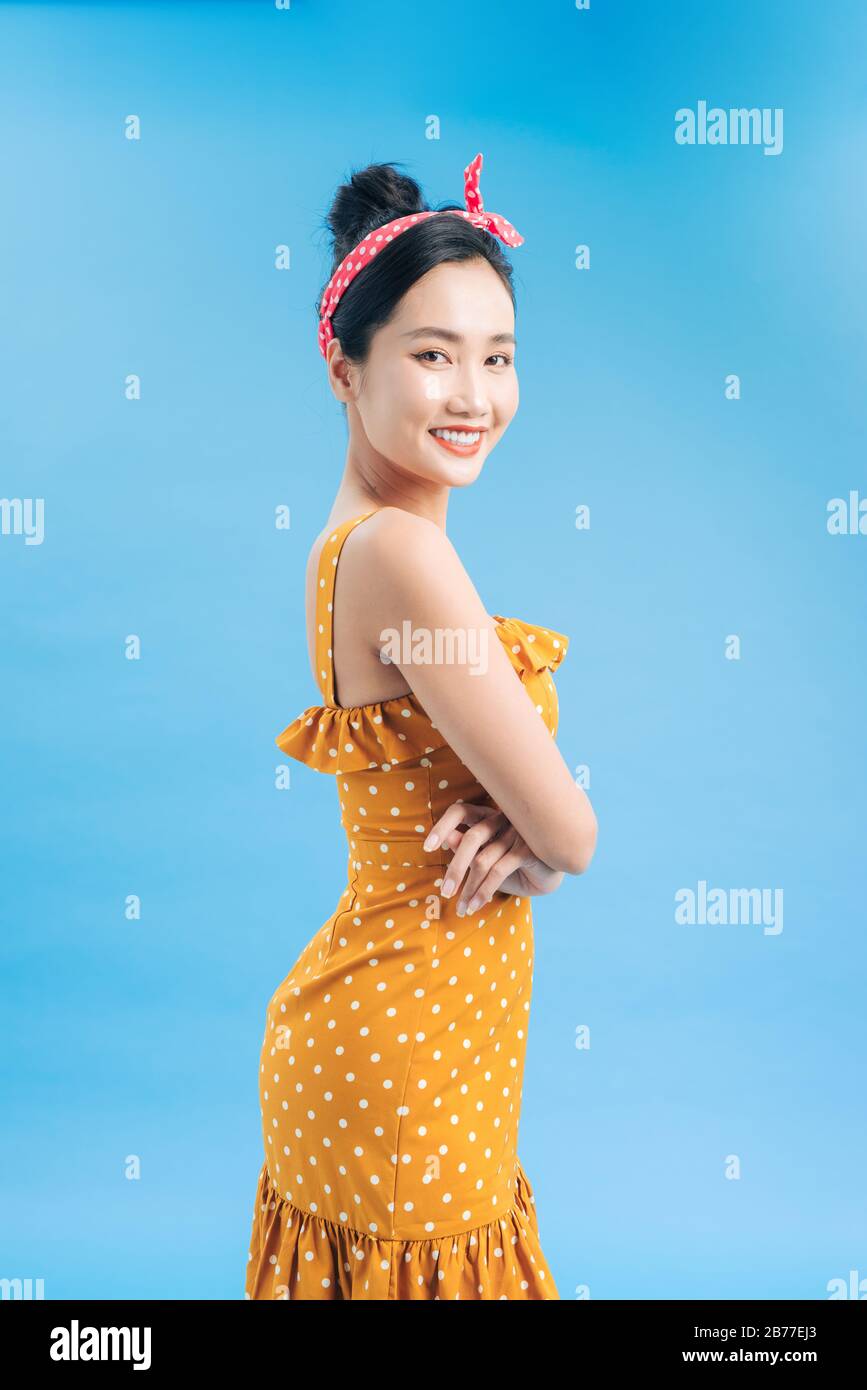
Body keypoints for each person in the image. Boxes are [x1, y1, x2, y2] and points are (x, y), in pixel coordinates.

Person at [245, 153, 598, 1300]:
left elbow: (534, 821)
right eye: (431, 354)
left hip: (412, 1036)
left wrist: (529, 838)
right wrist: (538, 847)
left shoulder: (353, 540)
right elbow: (573, 832)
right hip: (406, 1057)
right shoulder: (403, 554)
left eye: (497, 357)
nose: (473, 394)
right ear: (344, 369)